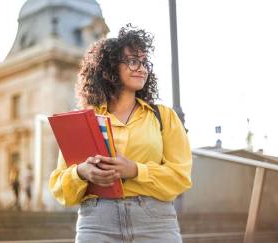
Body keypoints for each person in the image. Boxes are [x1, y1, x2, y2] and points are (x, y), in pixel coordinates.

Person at [49, 24, 192, 243]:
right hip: (97, 222)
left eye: (145, 62)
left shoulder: (163, 116)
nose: (142, 68)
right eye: (133, 61)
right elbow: (60, 187)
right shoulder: (83, 121)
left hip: (155, 222)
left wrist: (135, 170)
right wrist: (81, 173)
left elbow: (181, 177)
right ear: (110, 67)